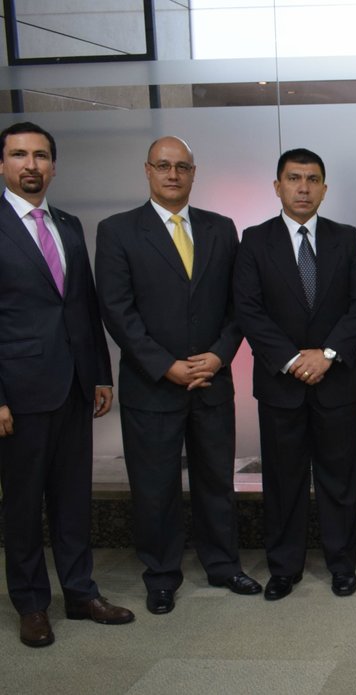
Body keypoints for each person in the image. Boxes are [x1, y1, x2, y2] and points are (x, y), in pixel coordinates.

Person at [95, 136, 260, 616]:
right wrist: (163, 364)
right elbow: (117, 310)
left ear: (193, 172)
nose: (173, 174)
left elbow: (239, 305)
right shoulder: (118, 230)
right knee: (155, 485)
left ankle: (223, 564)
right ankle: (162, 574)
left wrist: (219, 355)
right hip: (152, 384)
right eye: (163, 166)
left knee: (216, 480)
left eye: (182, 167)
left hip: (212, 379)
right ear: (147, 170)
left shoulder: (220, 228)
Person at [0, 121, 134, 647]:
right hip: (20, 391)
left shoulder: (68, 223)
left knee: (73, 499)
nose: (30, 165)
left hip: (76, 386)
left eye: (40, 156)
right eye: (18, 155)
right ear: (3, 164)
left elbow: (83, 305)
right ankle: (32, 604)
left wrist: (100, 373)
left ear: (54, 165)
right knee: (23, 504)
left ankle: (80, 593)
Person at [233, 148, 356, 601]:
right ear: (277, 186)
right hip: (281, 385)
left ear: (324, 189)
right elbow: (249, 311)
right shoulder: (254, 240)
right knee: (283, 480)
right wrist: (294, 360)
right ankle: (284, 568)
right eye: (294, 179)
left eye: (312, 180)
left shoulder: (345, 237)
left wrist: (327, 354)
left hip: (335, 382)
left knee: (339, 478)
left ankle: (341, 566)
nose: (303, 188)